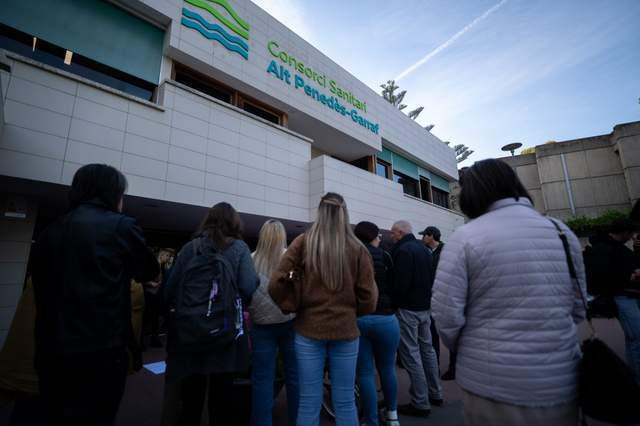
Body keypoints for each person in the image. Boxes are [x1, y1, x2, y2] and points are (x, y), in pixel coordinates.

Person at [432, 159, 586, 426]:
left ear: (472, 192)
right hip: (562, 379)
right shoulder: (562, 232)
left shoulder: (465, 237)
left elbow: (446, 316)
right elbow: (579, 306)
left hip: (491, 382)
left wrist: (471, 346)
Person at [31, 163, 159, 426]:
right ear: (113, 194)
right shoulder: (120, 226)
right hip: (100, 349)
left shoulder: (50, 231)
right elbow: (149, 269)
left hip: (49, 348)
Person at [269, 193, 377, 426]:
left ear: (320, 212)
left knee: (308, 401)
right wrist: (351, 313)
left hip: (308, 329)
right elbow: (369, 297)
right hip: (346, 330)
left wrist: (290, 305)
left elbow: (276, 282)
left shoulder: (303, 242)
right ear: (344, 213)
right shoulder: (358, 248)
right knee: (345, 400)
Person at [163, 202, 259, 426]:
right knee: (222, 400)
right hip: (224, 336)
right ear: (234, 223)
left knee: (191, 400)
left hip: (190, 335)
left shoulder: (190, 248)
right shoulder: (239, 248)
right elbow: (247, 286)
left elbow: (169, 291)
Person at [390, 220, 443, 417]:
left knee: (412, 355)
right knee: (428, 351)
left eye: (393, 233)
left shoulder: (404, 251)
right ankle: (436, 392)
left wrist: (395, 303)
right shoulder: (424, 250)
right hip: (424, 308)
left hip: (408, 309)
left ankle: (420, 402)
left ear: (400, 232)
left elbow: (401, 284)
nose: (392, 236)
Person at [248, 219, 298, 426]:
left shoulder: (251, 259)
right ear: (282, 236)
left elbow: (245, 289)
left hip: (260, 325)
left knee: (262, 380)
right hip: (289, 322)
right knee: (294, 377)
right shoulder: (290, 259)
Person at [353, 221, 400, 426]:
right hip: (386, 318)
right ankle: (392, 416)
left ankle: (371, 420)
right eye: (378, 235)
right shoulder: (386, 256)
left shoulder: (351, 256)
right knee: (387, 369)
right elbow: (394, 285)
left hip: (359, 318)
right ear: (372, 236)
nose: (380, 238)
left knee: (364, 373)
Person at [584, 217, 640, 382]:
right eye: (631, 234)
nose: (632, 237)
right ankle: (635, 379)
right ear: (625, 232)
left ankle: (634, 376)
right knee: (636, 339)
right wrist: (630, 276)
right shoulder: (604, 248)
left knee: (634, 339)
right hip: (622, 297)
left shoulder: (614, 246)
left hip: (628, 295)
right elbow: (604, 276)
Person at [419, 226, 456, 381]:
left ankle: (453, 369)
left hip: (446, 299)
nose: (422, 238)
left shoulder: (446, 252)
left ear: (431, 236)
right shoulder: (429, 251)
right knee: (432, 334)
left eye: (424, 235)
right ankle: (435, 369)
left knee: (450, 335)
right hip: (433, 298)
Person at [142, 248, 174, 349]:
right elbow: (142, 278)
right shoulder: (152, 265)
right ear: (162, 255)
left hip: (157, 295)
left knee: (155, 318)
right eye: (167, 255)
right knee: (147, 318)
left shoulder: (162, 266)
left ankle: (154, 340)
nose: (168, 258)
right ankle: (142, 342)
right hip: (149, 294)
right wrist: (151, 283)